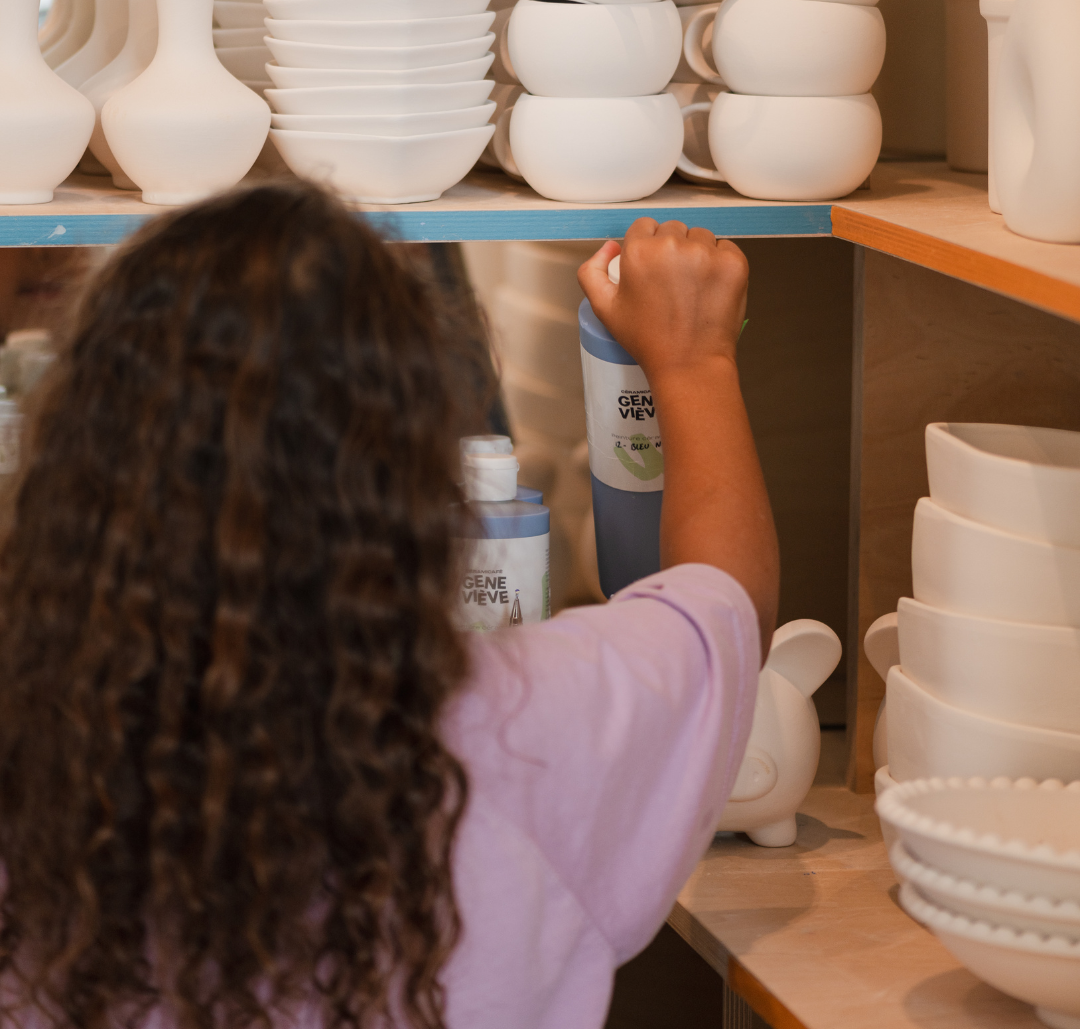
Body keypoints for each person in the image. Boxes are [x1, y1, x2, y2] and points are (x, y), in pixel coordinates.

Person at [0, 181, 778, 1029]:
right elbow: (726, 603)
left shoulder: (33, 756)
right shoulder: (529, 726)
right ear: (415, 485)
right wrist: (694, 361)